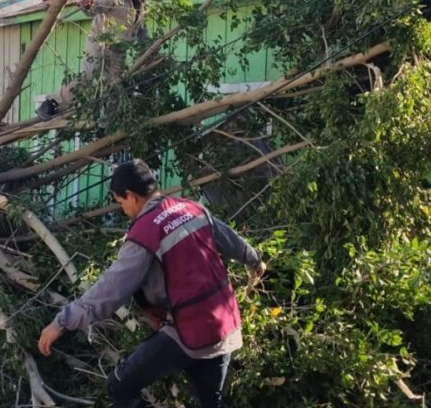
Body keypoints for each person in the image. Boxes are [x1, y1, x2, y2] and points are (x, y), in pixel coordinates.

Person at [38, 159, 265, 408]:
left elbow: (111, 289)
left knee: (120, 387)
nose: (122, 209)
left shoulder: (145, 235)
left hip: (187, 331)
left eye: (120, 201)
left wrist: (62, 322)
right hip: (225, 325)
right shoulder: (192, 208)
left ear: (132, 196)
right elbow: (232, 241)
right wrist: (256, 262)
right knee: (211, 403)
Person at [36, 0, 156, 121]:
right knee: (89, 74)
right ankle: (52, 103)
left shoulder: (142, 5)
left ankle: (105, 123)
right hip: (100, 40)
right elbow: (94, 8)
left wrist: (149, 49)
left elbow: (142, 30)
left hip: (119, 48)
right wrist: (88, 6)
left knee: (113, 85)